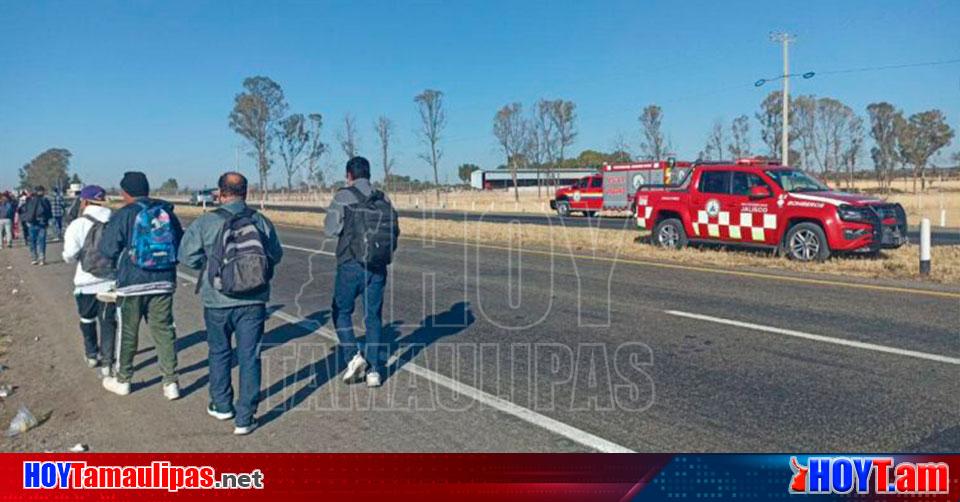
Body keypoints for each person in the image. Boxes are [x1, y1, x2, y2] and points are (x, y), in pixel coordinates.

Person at [179, 172, 283, 435]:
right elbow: (275, 255)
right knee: (250, 356)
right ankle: (245, 417)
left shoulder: (205, 222)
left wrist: (211, 266)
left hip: (217, 300)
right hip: (254, 299)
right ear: (246, 192)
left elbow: (186, 256)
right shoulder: (260, 221)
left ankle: (222, 404)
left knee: (219, 352)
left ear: (220, 192)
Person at [98, 171, 183, 399]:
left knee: (128, 331)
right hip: (164, 280)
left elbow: (107, 249)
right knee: (164, 330)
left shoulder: (124, 214)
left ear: (125, 192)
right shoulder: (165, 212)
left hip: (132, 283)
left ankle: (123, 379)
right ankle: (171, 382)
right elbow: (179, 243)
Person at [324, 156, 399, 388]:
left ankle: (353, 356)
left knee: (341, 310)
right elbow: (394, 230)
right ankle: (375, 371)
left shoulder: (343, 197)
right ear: (368, 174)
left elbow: (330, 229)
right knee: (373, 316)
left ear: (349, 175)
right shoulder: (383, 198)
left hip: (351, 263)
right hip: (377, 265)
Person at [61, 185, 117, 374]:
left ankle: (92, 355)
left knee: (87, 319)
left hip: (85, 282)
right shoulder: (115, 221)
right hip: (110, 281)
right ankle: (108, 363)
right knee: (108, 321)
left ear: (84, 202)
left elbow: (69, 255)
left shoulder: (77, 224)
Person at [21, 186, 52, 265]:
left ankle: (34, 258)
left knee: (32, 241)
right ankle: (42, 258)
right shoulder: (45, 201)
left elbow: (25, 210)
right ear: (42, 192)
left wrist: (27, 221)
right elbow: (49, 212)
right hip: (42, 223)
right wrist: (47, 221)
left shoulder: (30, 200)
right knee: (41, 241)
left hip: (32, 223)